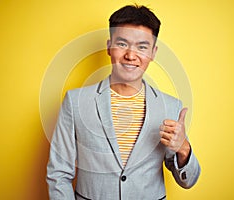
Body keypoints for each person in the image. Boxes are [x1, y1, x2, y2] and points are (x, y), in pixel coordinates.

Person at [47, 4, 200, 200]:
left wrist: (183, 148)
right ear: (109, 46)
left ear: (153, 53)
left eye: (142, 47)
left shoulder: (171, 107)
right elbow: (58, 173)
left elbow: (188, 181)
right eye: (122, 44)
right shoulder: (75, 101)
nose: (130, 55)